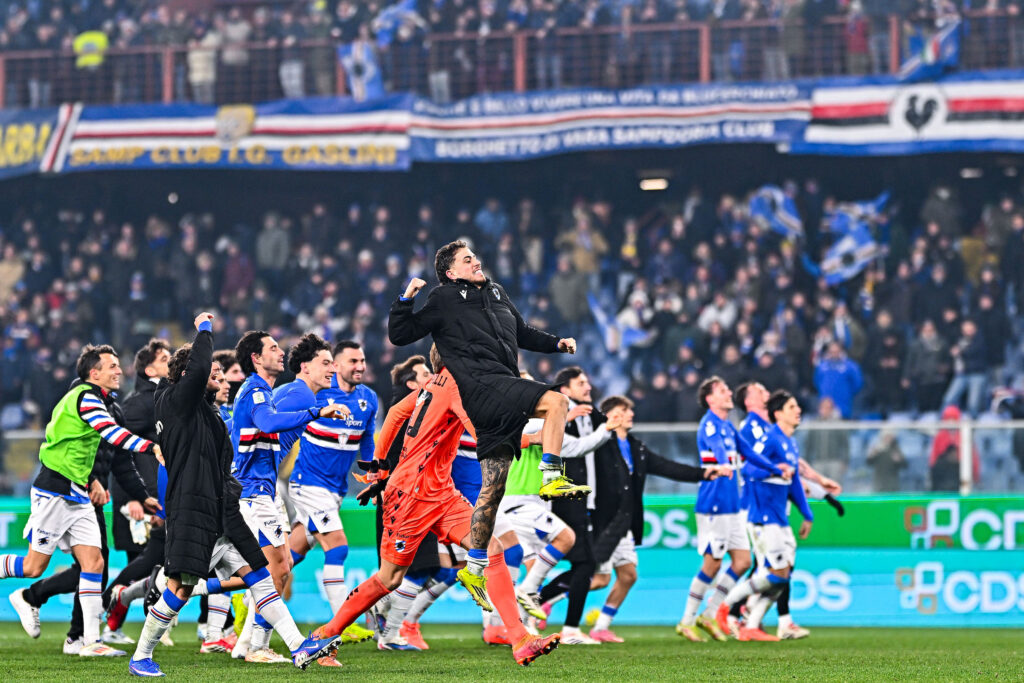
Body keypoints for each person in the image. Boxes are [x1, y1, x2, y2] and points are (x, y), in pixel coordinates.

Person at [311, 352, 561, 668]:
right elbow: (486, 436)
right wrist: (536, 435)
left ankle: (520, 639)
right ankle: (326, 633)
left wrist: (379, 464)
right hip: (411, 495)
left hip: (442, 493)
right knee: (391, 579)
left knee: (491, 548)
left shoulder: (434, 383)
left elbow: (395, 415)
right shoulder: (458, 384)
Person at [128, 313, 339, 677]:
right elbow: (195, 372)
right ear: (187, 377)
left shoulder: (202, 413)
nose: (221, 378)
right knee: (178, 591)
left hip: (221, 508)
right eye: (213, 374)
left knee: (259, 573)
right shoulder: (175, 401)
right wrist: (204, 329)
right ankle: (141, 656)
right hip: (192, 508)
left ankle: (297, 646)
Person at [388, 240, 582, 608]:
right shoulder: (443, 298)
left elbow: (522, 332)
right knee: (557, 401)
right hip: (483, 384)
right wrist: (406, 298)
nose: (476, 261)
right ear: (450, 272)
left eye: (475, 256)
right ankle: (552, 473)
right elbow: (401, 334)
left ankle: (474, 567)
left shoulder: (496, 291)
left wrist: (557, 344)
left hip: (495, 394)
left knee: (492, 490)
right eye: (467, 259)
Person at [1, 344, 161, 657]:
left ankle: (89, 642)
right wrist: (151, 446)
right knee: (34, 566)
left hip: (78, 493)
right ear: (94, 373)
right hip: (55, 490)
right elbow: (110, 433)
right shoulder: (86, 398)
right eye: (112, 366)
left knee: (95, 563)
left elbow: (114, 454)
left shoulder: (104, 401)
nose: (119, 370)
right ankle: (39, 604)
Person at [228, 330, 346, 662]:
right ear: (304, 367)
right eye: (325, 363)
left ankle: (246, 643)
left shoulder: (281, 392)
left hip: (259, 485)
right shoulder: (301, 397)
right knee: (275, 570)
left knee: (277, 566)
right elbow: (265, 421)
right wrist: (317, 413)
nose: (331, 369)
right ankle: (257, 646)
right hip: (252, 487)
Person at [587, 395, 729, 643]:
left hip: (624, 523)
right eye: (624, 410)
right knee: (598, 579)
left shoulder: (636, 448)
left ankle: (600, 627)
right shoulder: (599, 445)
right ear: (610, 416)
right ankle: (543, 600)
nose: (631, 414)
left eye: (630, 410)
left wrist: (704, 473)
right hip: (603, 522)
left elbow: (668, 467)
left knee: (628, 575)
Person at [676, 376, 791, 643]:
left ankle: (711, 613)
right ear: (710, 399)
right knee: (712, 563)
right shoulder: (710, 425)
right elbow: (716, 448)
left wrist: (776, 468)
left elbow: (749, 452)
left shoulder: (728, 426)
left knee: (742, 561)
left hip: (732, 505)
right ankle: (686, 620)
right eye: (722, 390)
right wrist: (722, 462)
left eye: (728, 390)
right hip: (714, 504)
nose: (729, 393)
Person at [285, 339, 376, 652]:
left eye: (362, 360)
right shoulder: (318, 394)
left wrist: (372, 474)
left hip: (334, 491)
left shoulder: (368, 399)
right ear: (335, 365)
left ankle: (248, 631)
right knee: (337, 549)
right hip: (307, 483)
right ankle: (342, 623)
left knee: (286, 560)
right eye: (353, 361)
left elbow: (367, 443)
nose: (360, 366)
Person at [715, 390, 813, 642]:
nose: (798, 410)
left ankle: (752, 626)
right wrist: (772, 470)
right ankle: (726, 606)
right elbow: (747, 469)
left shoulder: (791, 443)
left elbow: (794, 484)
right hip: (763, 517)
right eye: (792, 406)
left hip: (780, 517)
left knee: (783, 576)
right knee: (774, 574)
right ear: (778, 414)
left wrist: (807, 514)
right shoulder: (770, 439)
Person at [541, 366, 624, 645]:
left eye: (587, 381)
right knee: (585, 563)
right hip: (564, 498)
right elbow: (571, 448)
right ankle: (566, 627)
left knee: (585, 565)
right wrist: (606, 430)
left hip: (587, 501)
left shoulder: (590, 415)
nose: (588, 387)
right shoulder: (556, 415)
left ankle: (541, 606)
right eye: (581, 383)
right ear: (565, 390)